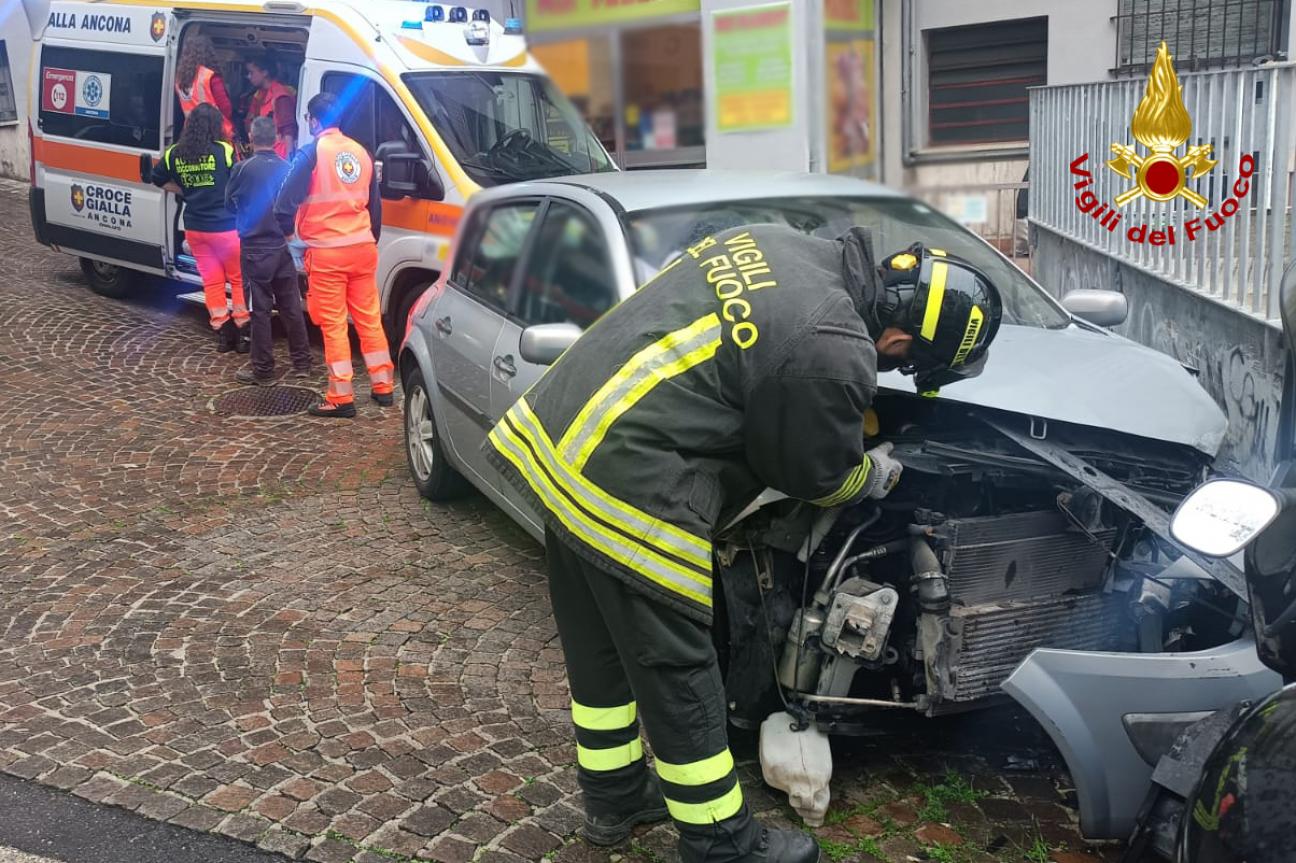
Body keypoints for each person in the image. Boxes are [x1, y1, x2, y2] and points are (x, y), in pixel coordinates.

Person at [484, 229, 1003, 863]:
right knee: (679, 668)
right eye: (904, 362)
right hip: (630, 478)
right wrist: (878, 472)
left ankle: (615, 796)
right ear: (900, 341)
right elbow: (816, 475)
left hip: (564, 440)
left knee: (601, 652)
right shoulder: (834, 346)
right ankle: (721, 842)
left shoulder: (781, 243)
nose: (892, 365)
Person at [274, 92, 394, 418]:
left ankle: (341, 396)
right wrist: (370, 240)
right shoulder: (361, 153)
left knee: (334, 324)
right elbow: (375, 207)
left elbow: (285, 201)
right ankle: (384, 387)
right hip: (363, 248)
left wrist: (286, 231)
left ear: (313, 120)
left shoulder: (311, 154)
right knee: (369, 319)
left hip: (328, 252)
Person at [153, 103, 248, 352]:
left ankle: (222, 330)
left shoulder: (175, 153)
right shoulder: (224, 151)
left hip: (195, 228)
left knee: (212, 281)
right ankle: (242, 330)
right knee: (238, 279)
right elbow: (237, 181)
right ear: (216, 126)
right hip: (226, 227)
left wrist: (185, 190)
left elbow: (157, 178)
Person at [225, 116, 312, 384]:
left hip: (254, 247)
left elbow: (229, 203)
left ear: (251, 137)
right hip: (281, 244)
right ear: (275, 139)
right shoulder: (288, 168)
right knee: (291, 305)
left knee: (259, 309)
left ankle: (262, 369)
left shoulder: (242, 169)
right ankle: (302, 361)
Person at [175, 34, 236, 143]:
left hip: (191, 133)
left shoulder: (180, 79)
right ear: (208, 53)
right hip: (217, 134)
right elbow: (226, 108)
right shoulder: (210, 77)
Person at [244, 55, 297, 159]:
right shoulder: (258, 95)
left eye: (252, 72)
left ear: (265, 72)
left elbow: (288, 131)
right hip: (263, 152)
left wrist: (289, 159)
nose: (249, 77)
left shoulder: (280, 96)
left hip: (277, 155)